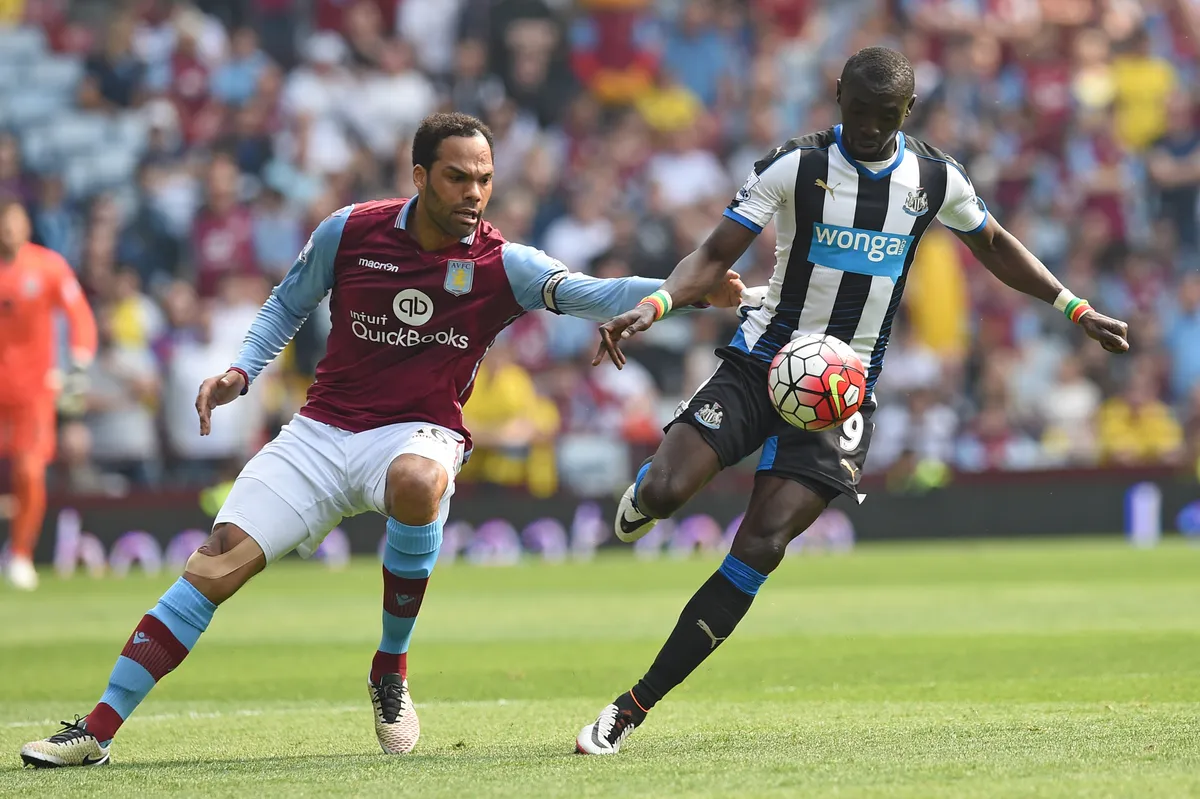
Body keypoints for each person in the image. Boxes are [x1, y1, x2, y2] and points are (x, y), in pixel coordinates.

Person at [19, 112, 747, 768]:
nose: (474, 193)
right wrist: (242, 369)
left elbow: (596, 292)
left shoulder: (504, 264)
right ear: (420, 176)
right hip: (319, 432)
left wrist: (688, 289)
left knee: (416, 482)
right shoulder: (349, 230)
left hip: (418, 430)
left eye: (485, 179)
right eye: (458, 177)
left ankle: (389, 669)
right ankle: (98, 728)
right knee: (214, 567)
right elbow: (286, 303)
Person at [575, 47, 1130, 756]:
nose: (868, 128)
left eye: (884, 116)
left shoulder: (932, 178)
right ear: (836, 96)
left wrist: (1074, 307)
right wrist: (655, 303)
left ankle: (632, 705)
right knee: (666, 488)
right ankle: (642, 501)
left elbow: (992, 242)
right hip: (760, 360)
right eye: (857, 112)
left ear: (910, 110)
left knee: (763, 544)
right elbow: (714, 255)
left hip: (842, 391)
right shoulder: (795, 165)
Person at [0, 200, 97, 591]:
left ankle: (21, 554)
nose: (8, 231)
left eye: (14, 223)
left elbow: (80, 315)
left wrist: (79, 359)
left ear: (26, 227)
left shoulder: (48, 266)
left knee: (29, 471)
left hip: (33, 393)